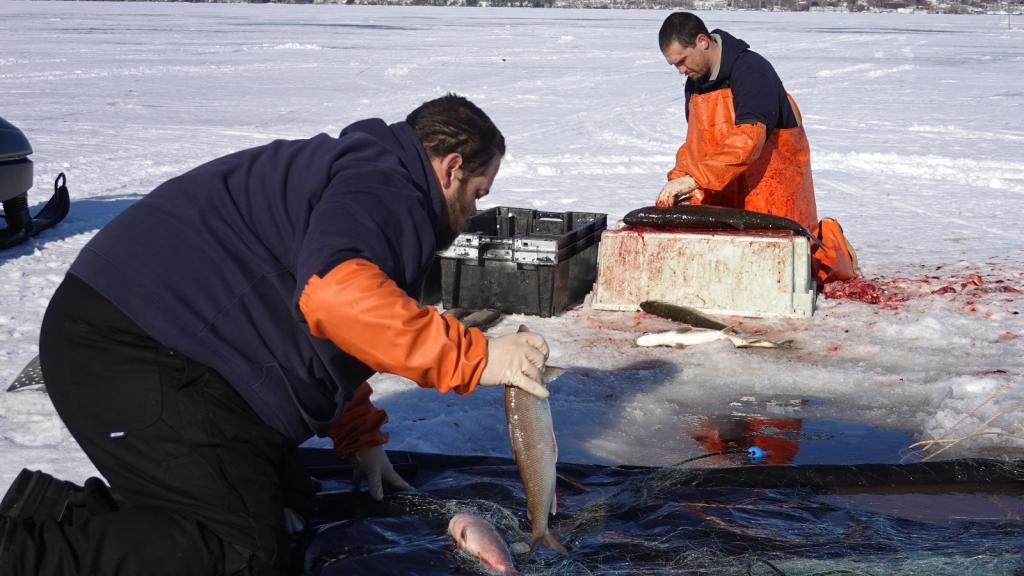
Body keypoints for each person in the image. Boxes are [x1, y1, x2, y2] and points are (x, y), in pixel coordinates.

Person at [0, 94, 551, 576]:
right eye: (479, 191)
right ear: (452, 167)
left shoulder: (371, 173)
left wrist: (358, 436)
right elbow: (336, 298)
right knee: (237, 549)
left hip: (170, 344)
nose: (473, 209)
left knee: (287, 509)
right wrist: (478, 356)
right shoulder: (385, 187)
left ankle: (50, 514)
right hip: (134, 344)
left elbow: (329, 336)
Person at [655, 13, 857, 285]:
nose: (680, 70)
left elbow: (749, 139)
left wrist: (695, 179)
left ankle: (832, 243)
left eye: (681, 61)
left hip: (773, 191)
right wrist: (678, 179)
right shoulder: (695, 85)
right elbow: (695, 144)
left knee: (797, 269)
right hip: (726, 188)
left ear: (702, 41)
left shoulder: (751, 70)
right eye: (674, 65)